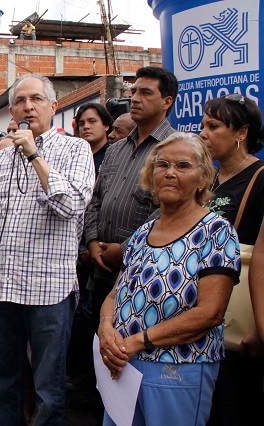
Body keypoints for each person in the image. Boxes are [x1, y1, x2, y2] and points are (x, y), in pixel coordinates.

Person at [0, 73, 95, 425]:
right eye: (20, 101)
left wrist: (33, 154)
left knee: (48, 383)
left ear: (53, 106)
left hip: (49, 290)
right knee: (1, 377)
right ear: (12, 109)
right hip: (1, 287)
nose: (28, 106)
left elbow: (72, 205)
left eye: (37, 99)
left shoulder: (75, 149)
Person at [97, 132, 239, 425]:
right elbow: (115, 294)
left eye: (183, 166)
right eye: (162, 165)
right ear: (151, 176)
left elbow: (210, 312)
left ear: (202, 178)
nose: (170, 173)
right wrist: (106, 328)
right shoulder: (142, 233)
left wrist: (139, 340)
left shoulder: (215, 231)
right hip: (123, 365)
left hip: (176, 369)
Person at [84, 68, 178, 396]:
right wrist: (94, 241)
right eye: (134, 91)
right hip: (102, 268)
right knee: (102, 347)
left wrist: (124, 248)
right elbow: (96, 197)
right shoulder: (118, 148)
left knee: (131, 360)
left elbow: (167, 211)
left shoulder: (175, 150)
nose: (135, 99)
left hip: (144, 273)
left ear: (167, 101)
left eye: (146, 93)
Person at [200, 94, 264, 426]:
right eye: (201, 125)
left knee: (237, 404)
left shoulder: (261, 176)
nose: (203, 133)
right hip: (204, 311)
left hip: (241, 314)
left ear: (241, 132)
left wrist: (259, 322)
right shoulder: (206, 180)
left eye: (213, 126)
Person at [66, 102, 114, 411]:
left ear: (106, 126)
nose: (86, 126)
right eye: (81, 121)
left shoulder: (113, 156)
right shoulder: (74, 155)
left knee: (95, 318)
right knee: (82, 320)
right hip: (81, 248)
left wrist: (95, 243)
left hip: (107, 252)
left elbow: (98, 200)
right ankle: (84, 378)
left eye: (93, 121)